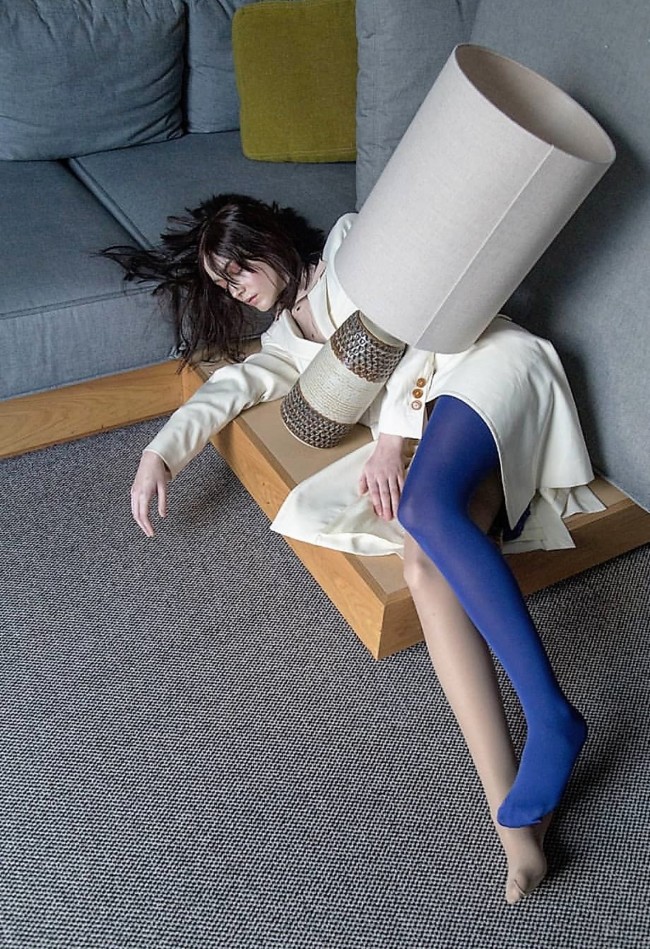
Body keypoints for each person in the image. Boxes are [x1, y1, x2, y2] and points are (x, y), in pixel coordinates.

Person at [105, 192, 601, 904]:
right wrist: (159, 453)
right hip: (440, 438)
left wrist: (391, 436)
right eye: (222, 283)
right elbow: (236, 384)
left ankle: (550, 715)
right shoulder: (286, 342)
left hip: (482, 369)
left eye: (238, 269)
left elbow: (427, 312)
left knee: (421, 509)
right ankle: (514, 829)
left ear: (269, 240)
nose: (235, 289)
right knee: (422, 564)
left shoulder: (350, 246)